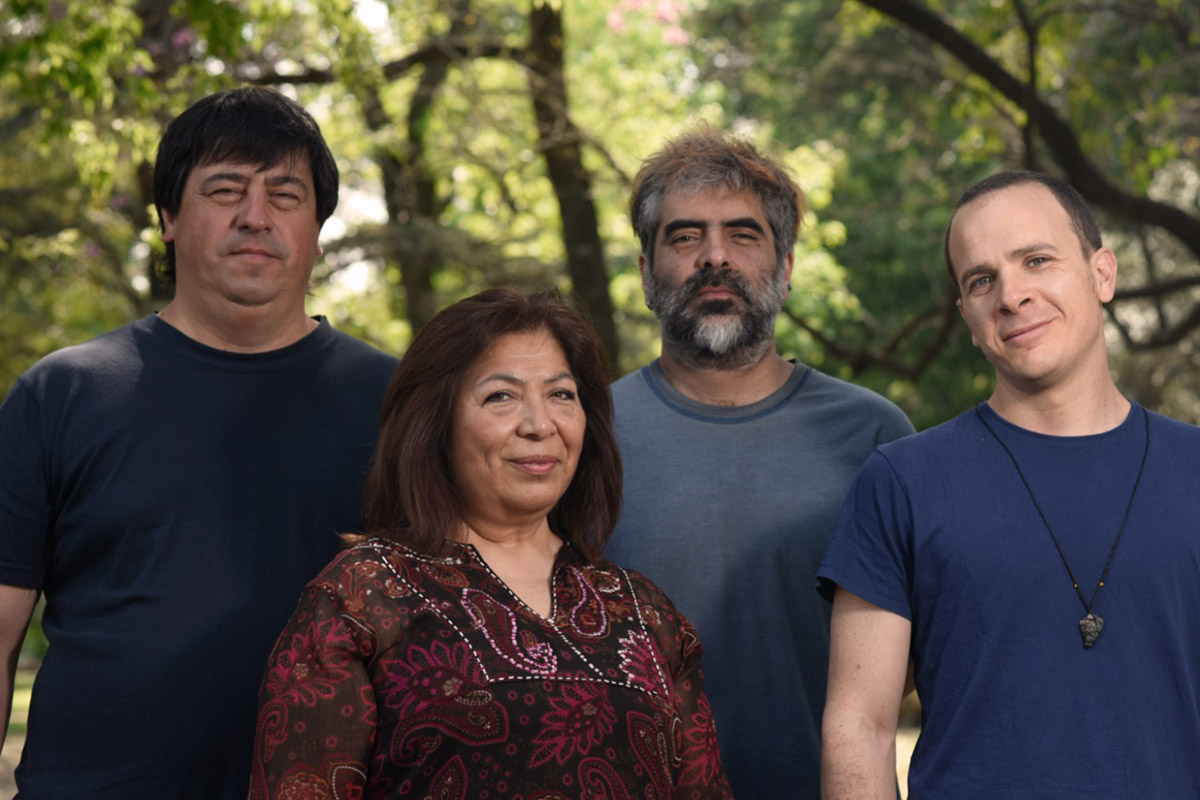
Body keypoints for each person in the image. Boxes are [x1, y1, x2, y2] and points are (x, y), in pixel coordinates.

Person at [0, 86, 399, 797]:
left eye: (285, 195)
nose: (256, 216)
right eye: (224, 190)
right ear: (168, 218)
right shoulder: (61, 394)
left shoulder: (398, 405)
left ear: (317, 228)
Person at [249, 287, 734, 800]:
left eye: (561, 395)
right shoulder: (362, 595)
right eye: (501, 396)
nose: (539, 425)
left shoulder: (646, 613)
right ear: (436, 424)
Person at [819, 170, 1200, 798]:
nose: (1011, 295)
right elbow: (861, 726)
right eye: (981, 280)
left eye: (1037, 260)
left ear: (1103, 274)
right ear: (968, 318)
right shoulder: (900, 483)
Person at [603, 127, 914, 798]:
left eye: (743, 235)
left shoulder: (873, 436)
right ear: (646, 272)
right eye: (685, 237)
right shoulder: (584, 435)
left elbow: (913, 665)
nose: (715, 256)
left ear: (787, 268)